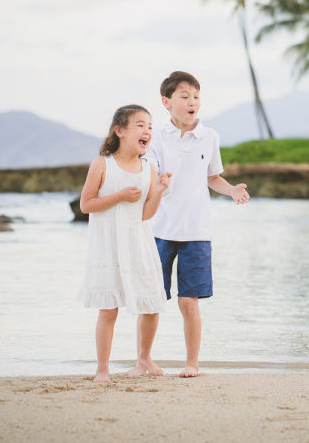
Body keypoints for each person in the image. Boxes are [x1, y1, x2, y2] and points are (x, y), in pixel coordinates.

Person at [146, 71, 249, 378]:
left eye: (196, 96)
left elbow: (212, 177)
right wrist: (156, 184)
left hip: (197, 232)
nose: (193, 102)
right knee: (151, 299)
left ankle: (192, 363)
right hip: (160, 229)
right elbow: (149, 175)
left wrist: (231, 190)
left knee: (189, 301)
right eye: (185, 96)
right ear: (167, 102)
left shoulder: (210, 136)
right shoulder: (157, 137)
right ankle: (143, 360)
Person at [77, 104, 172, 384]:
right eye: (140, 125)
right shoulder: (102, 164)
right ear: (119, 131)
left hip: (138, 243)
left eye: (150, 127)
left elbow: (146, 213)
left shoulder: (149, 169)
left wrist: (158, 191)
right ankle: (102, 370)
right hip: (109, 244)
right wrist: (118, 196)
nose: (147, 131)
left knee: (151, 303)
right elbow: (86, 204)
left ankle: (144, 359)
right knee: (109, 309)